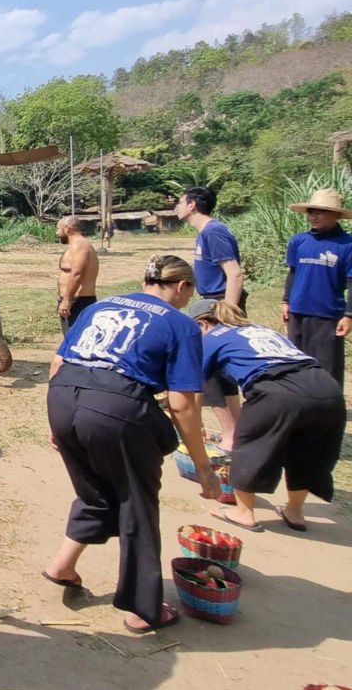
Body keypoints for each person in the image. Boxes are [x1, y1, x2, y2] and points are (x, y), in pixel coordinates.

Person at [41, 255, 220, 633]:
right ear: (182, 286)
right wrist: (204, 467)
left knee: (96, 490)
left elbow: (58, 362)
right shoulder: (180, 325)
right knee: (135, 504)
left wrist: (58, 422)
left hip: (63, 397)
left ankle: (62, 566)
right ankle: (143, 607)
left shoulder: (103, 305)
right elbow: (182, 403)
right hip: (113, 407)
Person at [190, 299, 345, 534]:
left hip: (277, 390)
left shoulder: (212, 337)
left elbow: (195, 386)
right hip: (327, 390)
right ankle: (294, 511)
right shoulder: (264, 330)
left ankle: (243, 512)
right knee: (308, 452)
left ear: (202, 324)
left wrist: (193, 421)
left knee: (250, 447)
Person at [176, 186, 245, 450]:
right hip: (210, 303)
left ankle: (230, 435)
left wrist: (226, 311)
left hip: (218, 306)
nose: (177, 207)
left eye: (181, 202)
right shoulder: (206, 233)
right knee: (222, 371)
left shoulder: (214, 232)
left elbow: (234, 274)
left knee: (209, 373)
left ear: (192, 204)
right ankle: (236, 432)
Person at [281, 187, 352, 391]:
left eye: (320, 211)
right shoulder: (299, 241)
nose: (313, 216)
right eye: (311, 211)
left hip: (327, 314)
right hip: (298, 311)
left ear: (336, 215)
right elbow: (293, 273)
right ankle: (301, 402)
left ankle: (330, 410)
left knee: (327, 366)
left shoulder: (347, 245)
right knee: (295, 361)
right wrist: (286, 301)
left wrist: (349, 315)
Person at [56, 216, 99, 336]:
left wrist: (67, 300)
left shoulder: (79, 245)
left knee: (75, 341)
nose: (57, 233)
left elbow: (76, 274)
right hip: (74, 301)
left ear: (67, 228)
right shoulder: (78, 245)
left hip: (78, 302)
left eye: (58, 229)